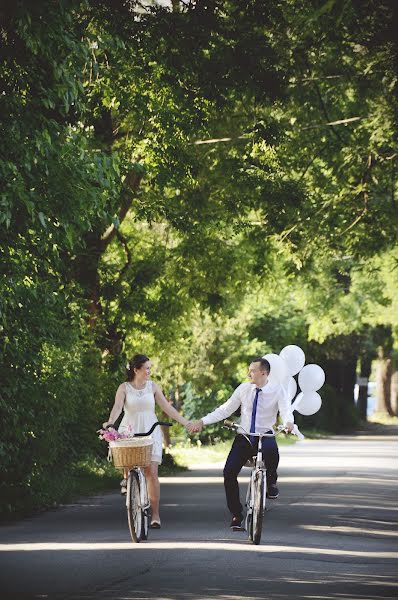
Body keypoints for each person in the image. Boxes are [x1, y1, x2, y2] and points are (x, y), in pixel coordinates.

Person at [187, 357, 294, 530]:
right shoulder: (244, 389)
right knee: (229, 472)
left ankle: (272, 482)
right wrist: (202, 421)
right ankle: (236, 514)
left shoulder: (277, 390)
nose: (249, 373)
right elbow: (225, 409)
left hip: (264, 434)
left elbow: (286, 410)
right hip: (244, 435)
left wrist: (289, 422)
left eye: (252, 370)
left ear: (263, 373)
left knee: (273, 453)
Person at [103, 353, 190, 529]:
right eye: (147, 368)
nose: (149, 371)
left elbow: (166, 407)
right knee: (127, 459)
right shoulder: (124, 388)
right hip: (129, 429)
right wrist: (111, 423)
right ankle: (127, 480)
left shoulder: (153, 387)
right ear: (136, 370)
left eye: (150, 368)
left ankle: (155, 515)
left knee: (152, 473)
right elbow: (118, 407)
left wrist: (185, 422)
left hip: (150, 430)